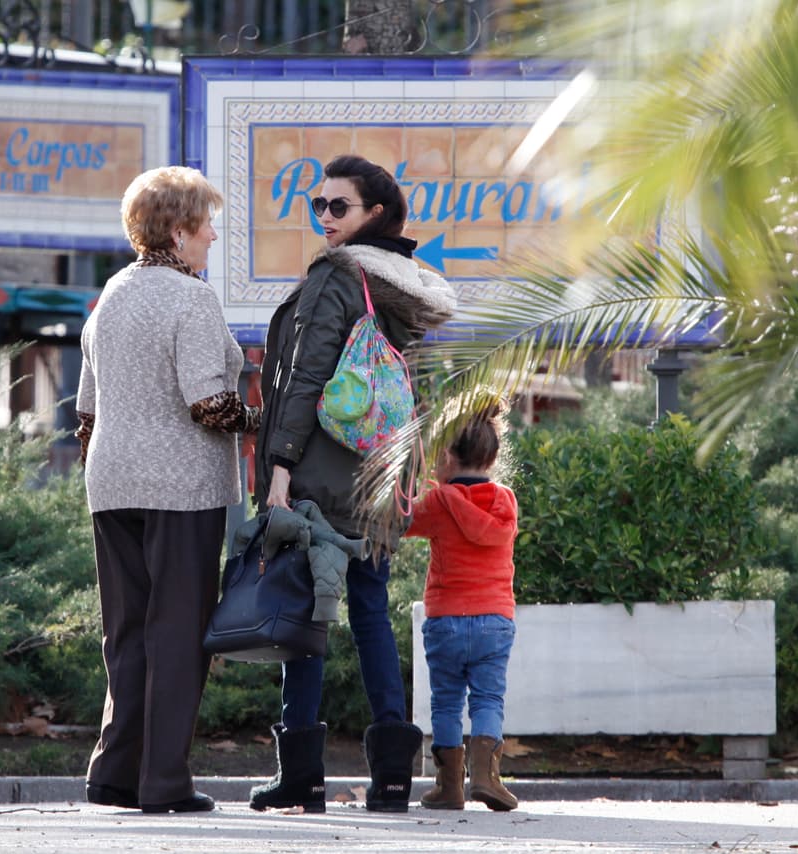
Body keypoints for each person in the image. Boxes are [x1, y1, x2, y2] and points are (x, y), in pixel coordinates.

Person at [250, 154, 457, 813]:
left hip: (319, 477)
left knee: (305, 615)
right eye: (318, 206)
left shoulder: (336, 277)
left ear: (375, 214)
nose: (325, 218)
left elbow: (306, 376)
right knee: (370, 613)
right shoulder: (410, 288)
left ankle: (301, 776)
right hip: (381, 481)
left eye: (338, 206)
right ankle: (394, 777)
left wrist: (278, 467)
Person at [74, 166, 258, 815]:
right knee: (177, 633)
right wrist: (263, 423)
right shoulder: (192, 299)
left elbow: (87, 414)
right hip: (180, 486)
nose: (213, 234)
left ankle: (113, 774)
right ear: (178, 231)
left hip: (111, 481)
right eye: (205, 222)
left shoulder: (112, 294)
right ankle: (163, 783)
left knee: (126, 633)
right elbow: (208, 403)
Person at [405, 399, 519, 812]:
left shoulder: (438, 502)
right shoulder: (505, 501)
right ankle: (487, 777)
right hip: (494, 618)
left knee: (447, 700)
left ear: (449, 458)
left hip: (447, 619)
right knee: (488, 699)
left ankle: (449, 785)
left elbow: (402, 521)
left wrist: (413, 475)